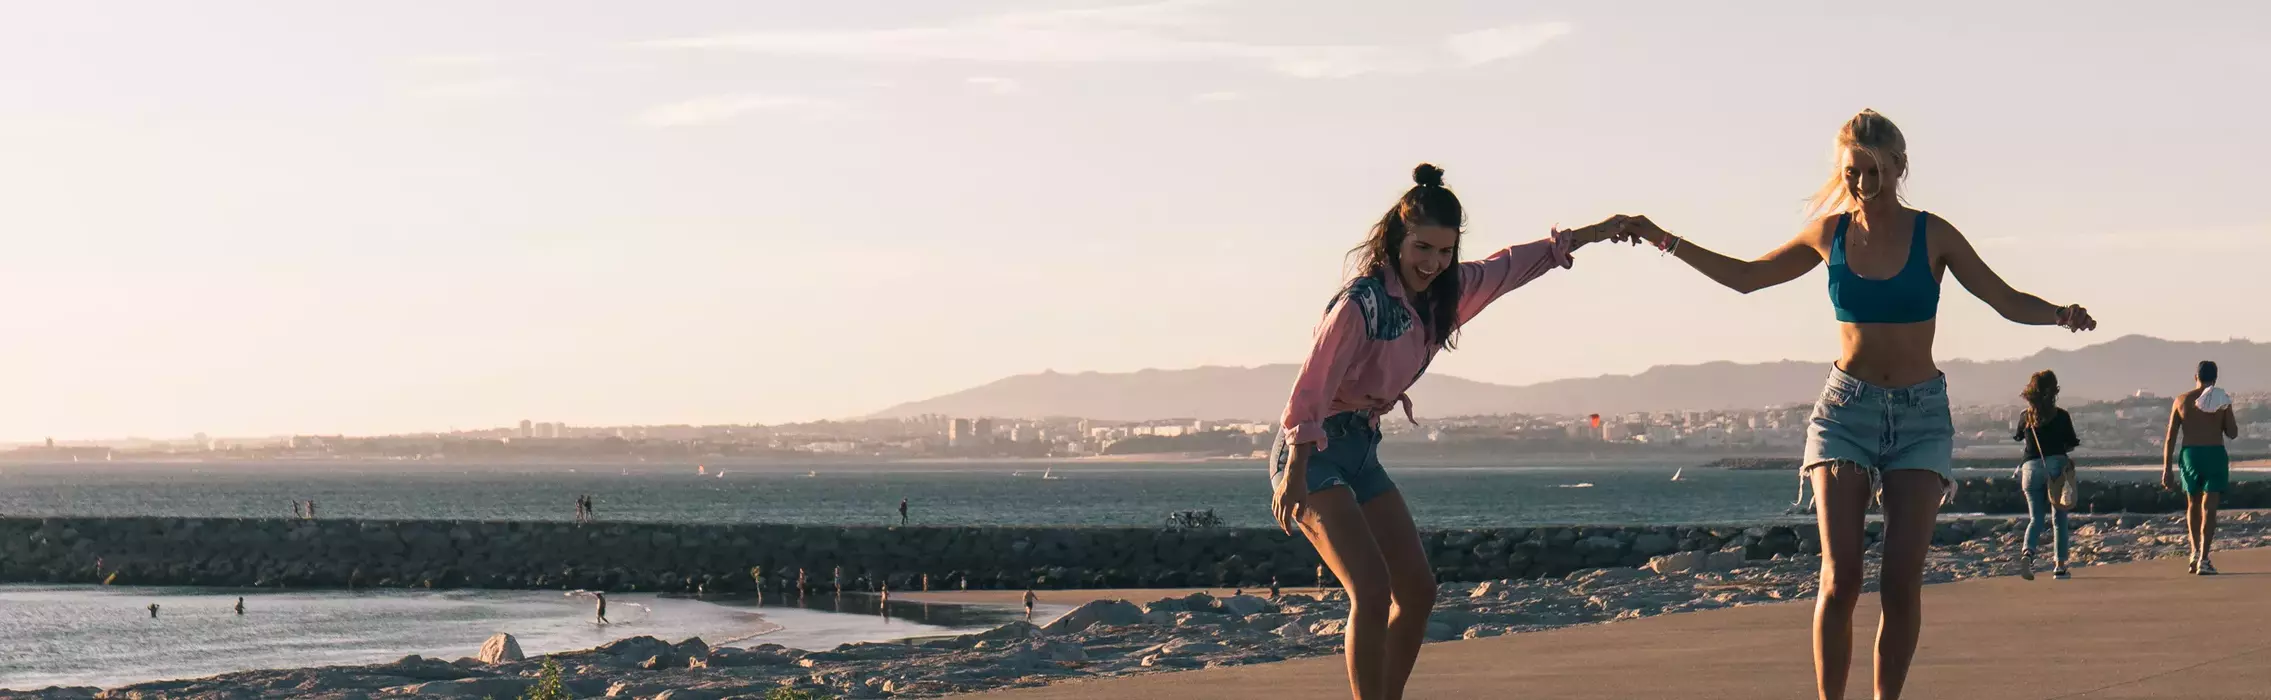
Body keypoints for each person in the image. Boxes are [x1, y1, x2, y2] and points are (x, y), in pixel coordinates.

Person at [1616, 109, 2095, 700]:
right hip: (1846, 412)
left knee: (1899, 584)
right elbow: (1745, 276)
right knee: (1840, 581)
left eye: (1874, 172)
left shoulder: (1933, 234)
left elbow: (2002, 297)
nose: (1863, 184)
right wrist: (1660, 236)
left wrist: (2058, 313)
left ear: (1899, 168)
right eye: (1853, 173)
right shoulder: (1830, 234)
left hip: (1921, 418)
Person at [1271, 163, 1633, 700]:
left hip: (1362, 450)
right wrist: (1295, 473)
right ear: (1397, 239)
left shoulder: (1444, 295)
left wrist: (1598, 232)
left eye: (1445, 252)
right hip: (1314, 449)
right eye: (1422, 248)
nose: (1433, 263)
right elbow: (1311, 387)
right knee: (1370, 591)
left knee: (1417, 590)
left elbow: (1511, 266)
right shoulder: (1360, 303)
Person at [2164, 360, 2240, 575]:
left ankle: (2194, 552)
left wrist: (2167, 469)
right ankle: (2204, 560)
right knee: (2210, 508)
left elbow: (2170, 438)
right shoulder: (2221, 400)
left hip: (2190, 455)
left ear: (2195, 377)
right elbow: (2232, 432)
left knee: (2193, 504)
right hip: (2214, 454)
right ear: (2215, 379)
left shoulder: (2181, 400)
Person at [2013, 370, 2081, 581]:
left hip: (2030, 469)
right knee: (2059, 519)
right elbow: (2071, 443)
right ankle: (2059, 566)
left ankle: (2027, 554)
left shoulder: (2026, 416)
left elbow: (2019, 437)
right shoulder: (2061, 416)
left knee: (2036, 518)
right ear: (2054, 390)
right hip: (2056, 468)